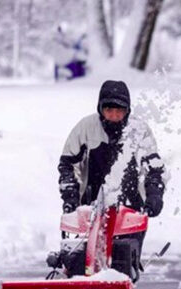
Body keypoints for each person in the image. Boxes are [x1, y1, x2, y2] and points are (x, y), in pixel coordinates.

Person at [58, 80, 166, 220]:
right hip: (90, 209)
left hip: (131, 211)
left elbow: (153, 168)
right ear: (100, 109)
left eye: (119, 111)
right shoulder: (85, 128)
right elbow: (68, 165)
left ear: (127, 111)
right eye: (109, 110)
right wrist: (70, 196)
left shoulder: (139, 131)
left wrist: (154, 194)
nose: (114, 117)